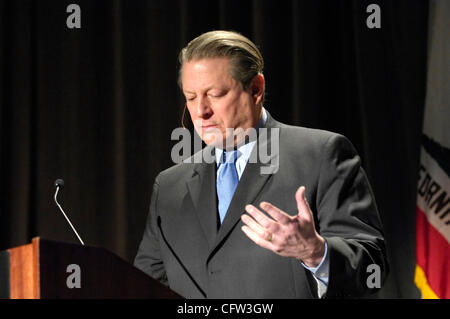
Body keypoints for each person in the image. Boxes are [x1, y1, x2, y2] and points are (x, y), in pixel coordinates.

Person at [134, 30, 388, 298]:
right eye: (191, 97)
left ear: (255, 89)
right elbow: (142, 284)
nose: (200, 111)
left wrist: (315, 252)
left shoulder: (321, 155)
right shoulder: (170, 186)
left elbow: (373, 268)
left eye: (215, 94)